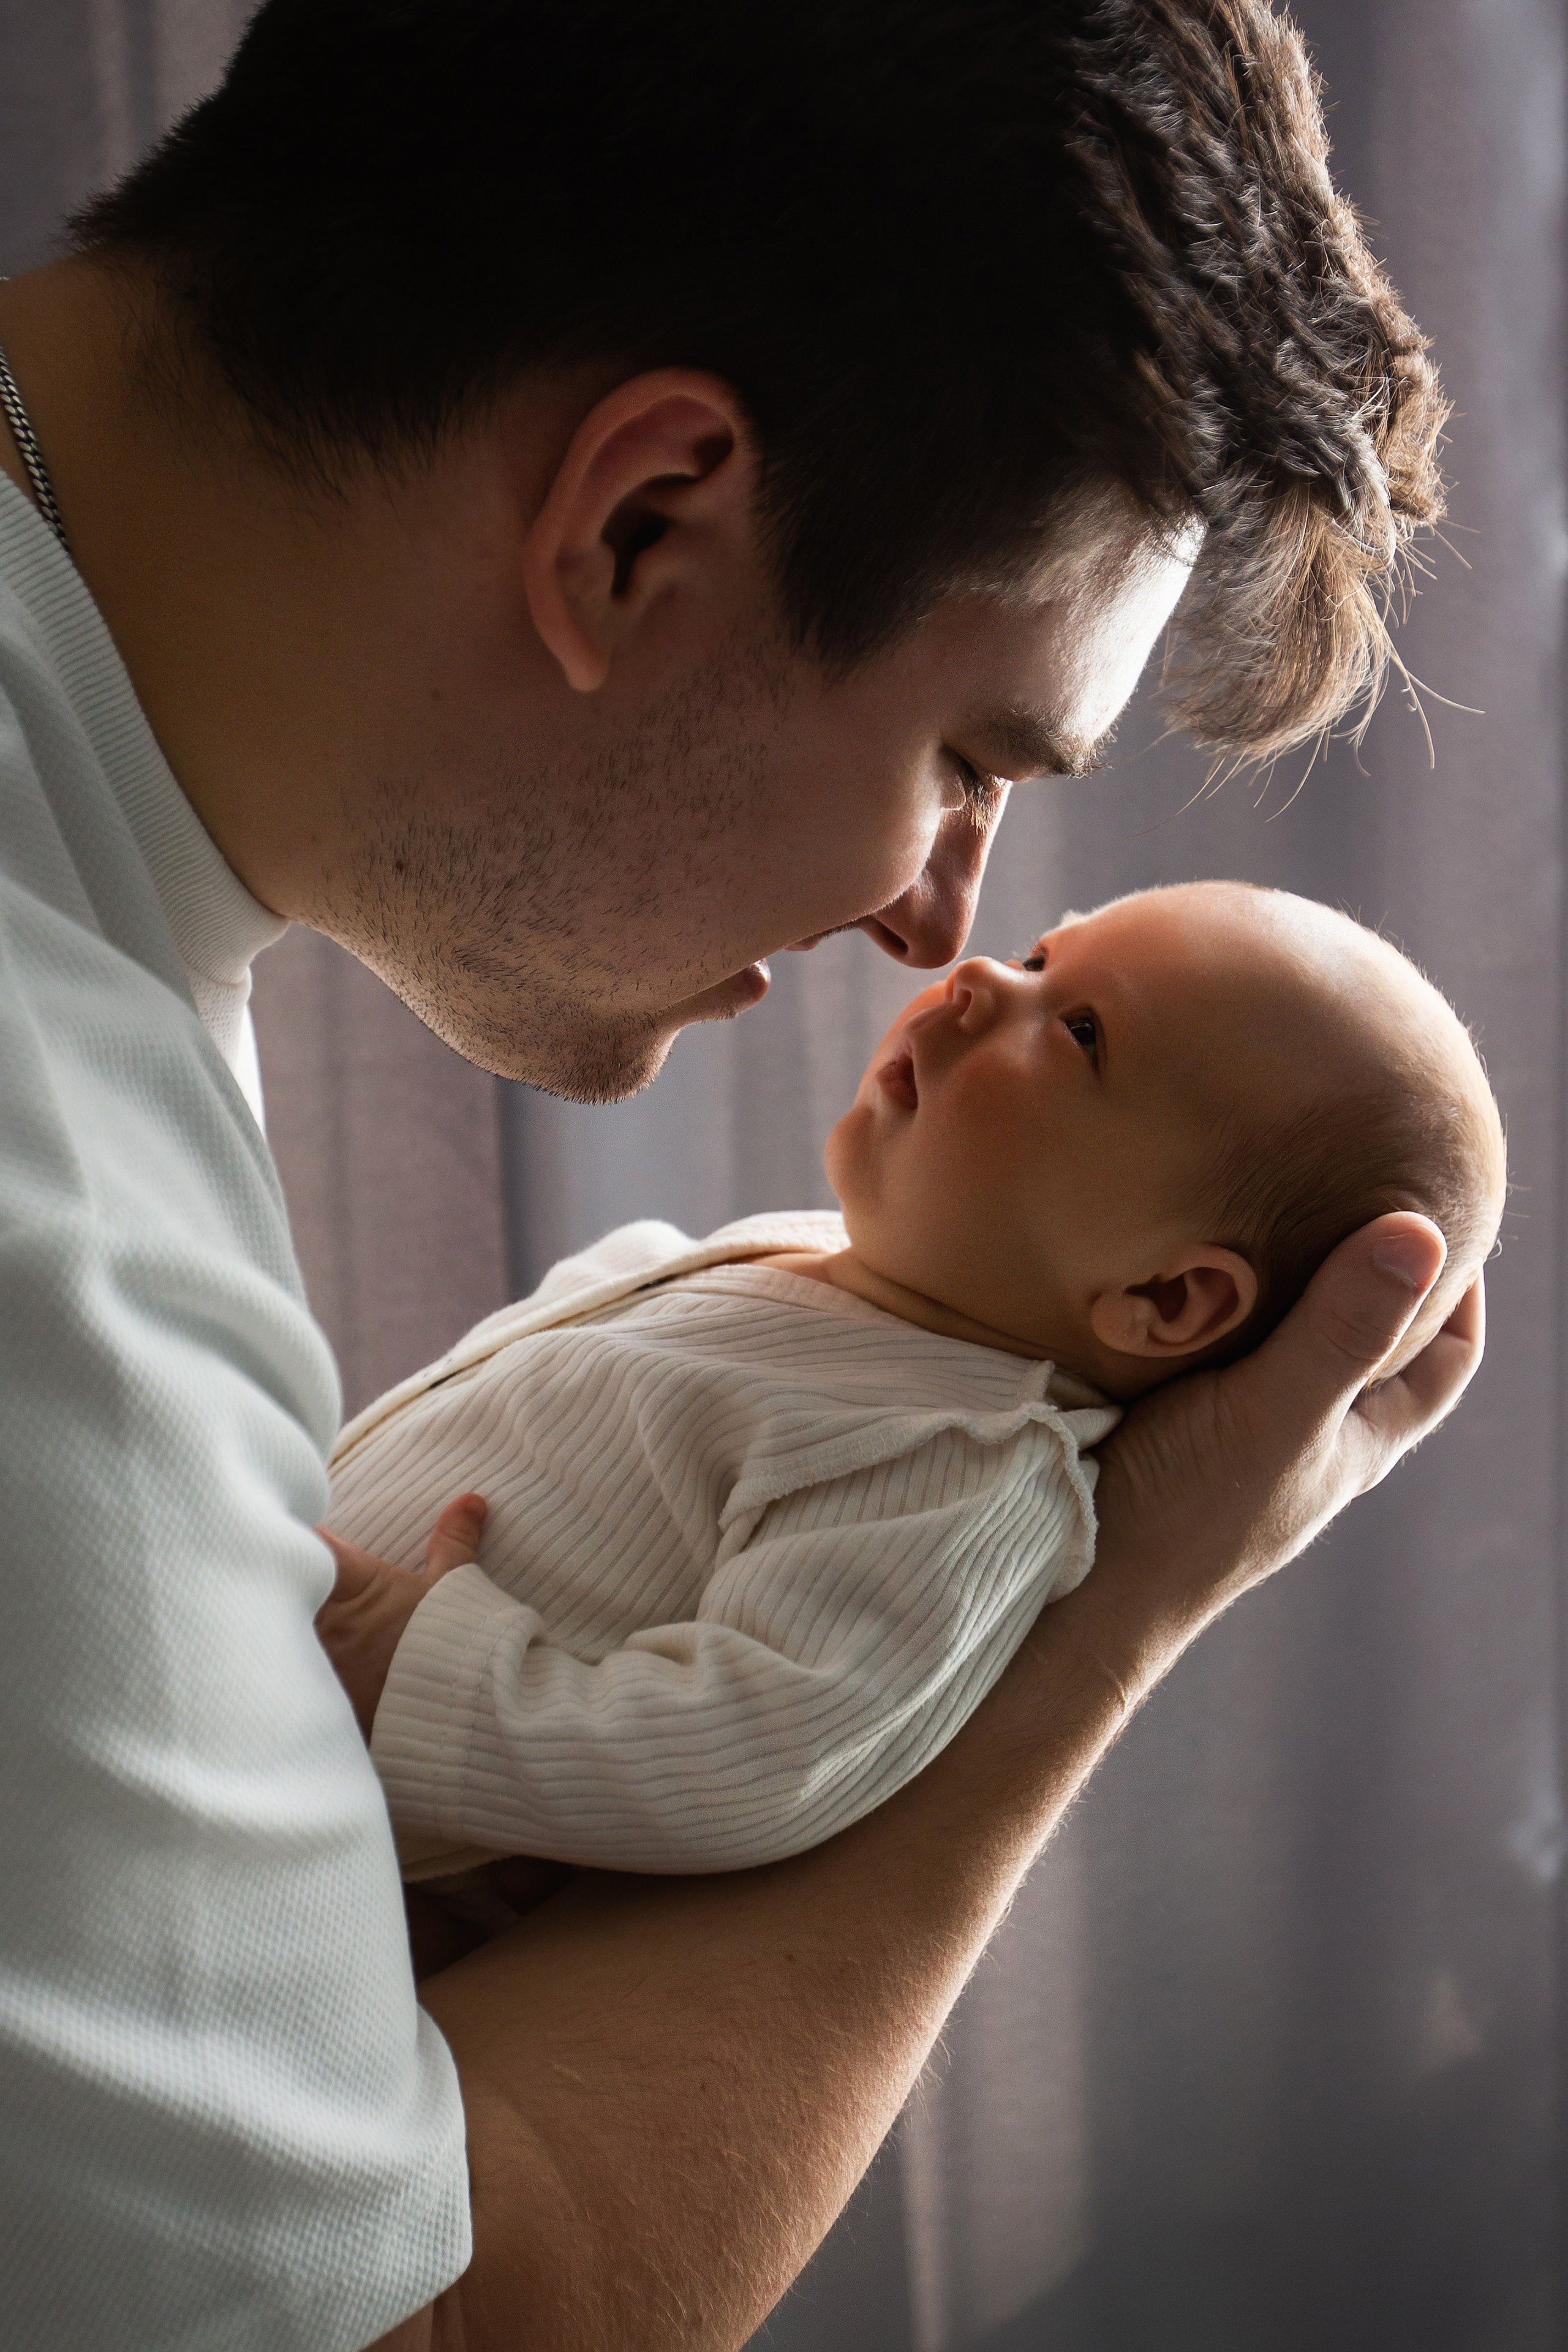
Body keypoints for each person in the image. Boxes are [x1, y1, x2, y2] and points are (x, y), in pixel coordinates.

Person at [0, 4, 1478, 2348]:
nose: (939, 923)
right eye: (970, 757)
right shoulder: (46, 1232)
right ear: (643, 523)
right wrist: (1121, 1606)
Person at [320, 883, 1504, 1903]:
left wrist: (424, 1674)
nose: (983, 974)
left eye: (1081, 1031)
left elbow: (755, 1755)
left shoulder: (962, 1468)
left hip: (334, 1827)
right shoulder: (837, 1270)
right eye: (1044, 955)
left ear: (1166, 1296)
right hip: (274, 1663)